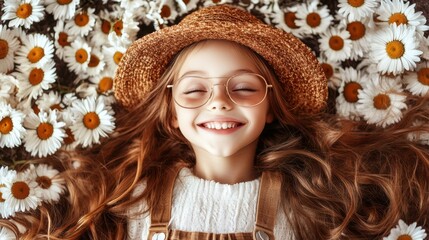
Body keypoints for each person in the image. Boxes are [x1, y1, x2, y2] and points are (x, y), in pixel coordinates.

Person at [4, 4, 429, 240]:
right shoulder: (126, 200)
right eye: (194, 91)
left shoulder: (309, 207)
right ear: (171, 112)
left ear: (272, 106)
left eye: (243, 88)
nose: (220, 103)